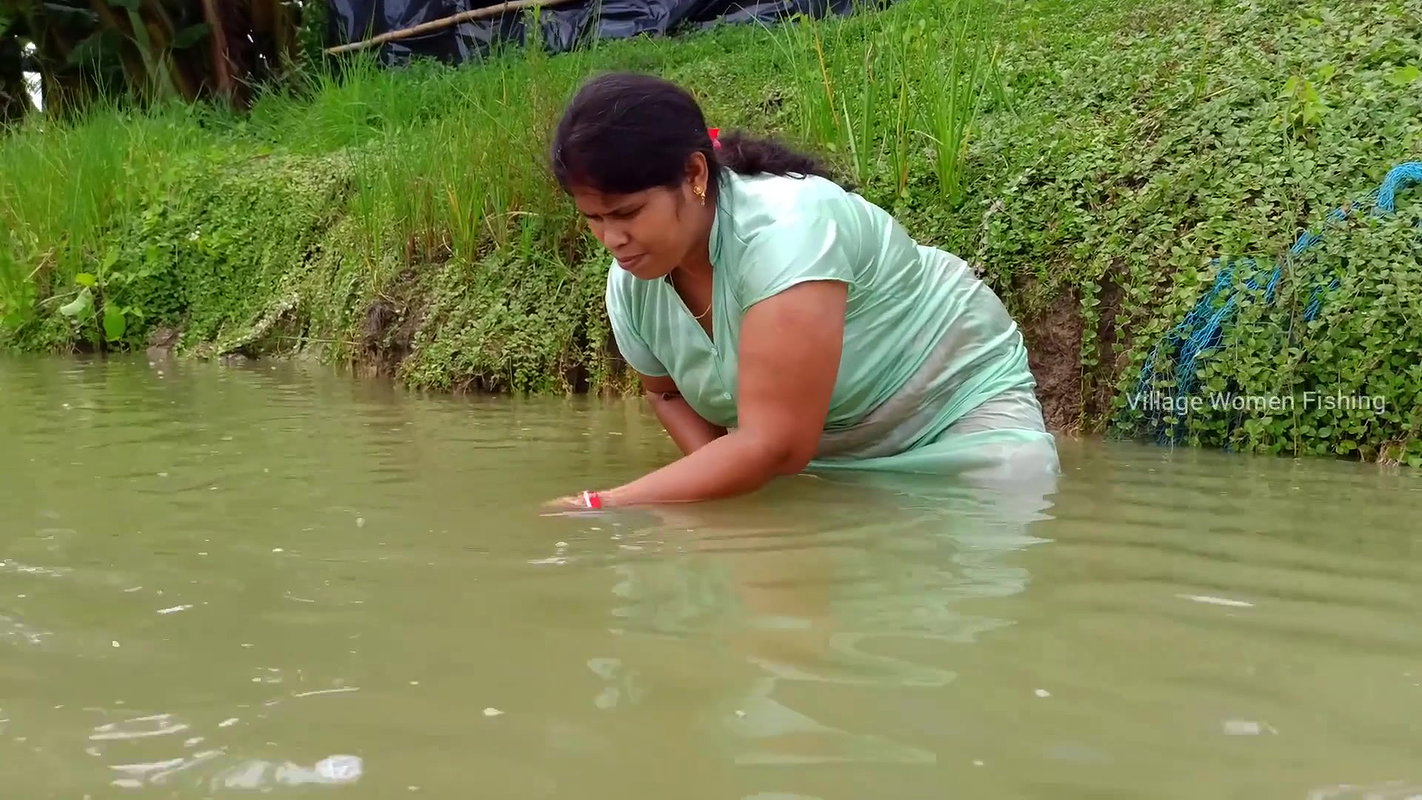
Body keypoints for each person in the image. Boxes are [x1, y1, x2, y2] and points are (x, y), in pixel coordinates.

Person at [543, 72, 1058, 511]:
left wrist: (605, 505)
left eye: (628, 213)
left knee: (984, 560)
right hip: (811, 452)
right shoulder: (633, 282)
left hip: (950, 411)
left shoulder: (787, 232)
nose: (612, 239)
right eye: (593, 218)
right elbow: (667, 393)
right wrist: (730, 482)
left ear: (694, 174)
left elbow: (775, 446)